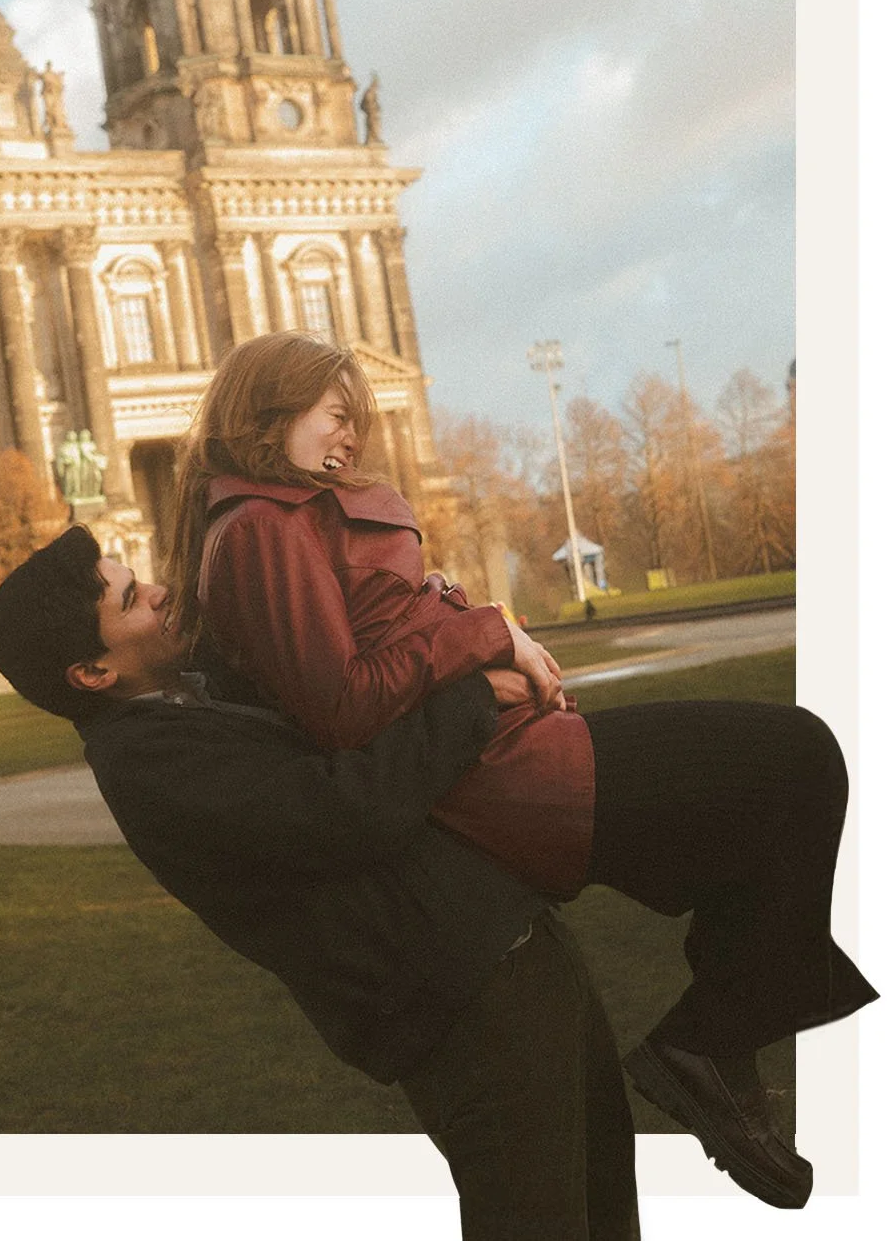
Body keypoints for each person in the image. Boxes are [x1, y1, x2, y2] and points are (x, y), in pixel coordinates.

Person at [163, 329, 879, 1212]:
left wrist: (461, 627)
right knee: (795, 762)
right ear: (270, 404)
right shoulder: (258, 530)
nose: (351, 438)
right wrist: (487, 630)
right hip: (507, 780)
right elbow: (341, 707)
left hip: (515, 757)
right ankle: (710, 1044)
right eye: (337, 414)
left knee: (772, 800)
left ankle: (718, 1049)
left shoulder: (282, 514)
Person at [0, 526, 639, 1240]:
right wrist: (474, 698)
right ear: (94, 672)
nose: (162, 591)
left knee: (606, 1211)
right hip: (461, 1006)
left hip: (517, 950)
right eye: (134, 599)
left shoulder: (202, 689)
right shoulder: (147, 766)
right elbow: (345, 810)